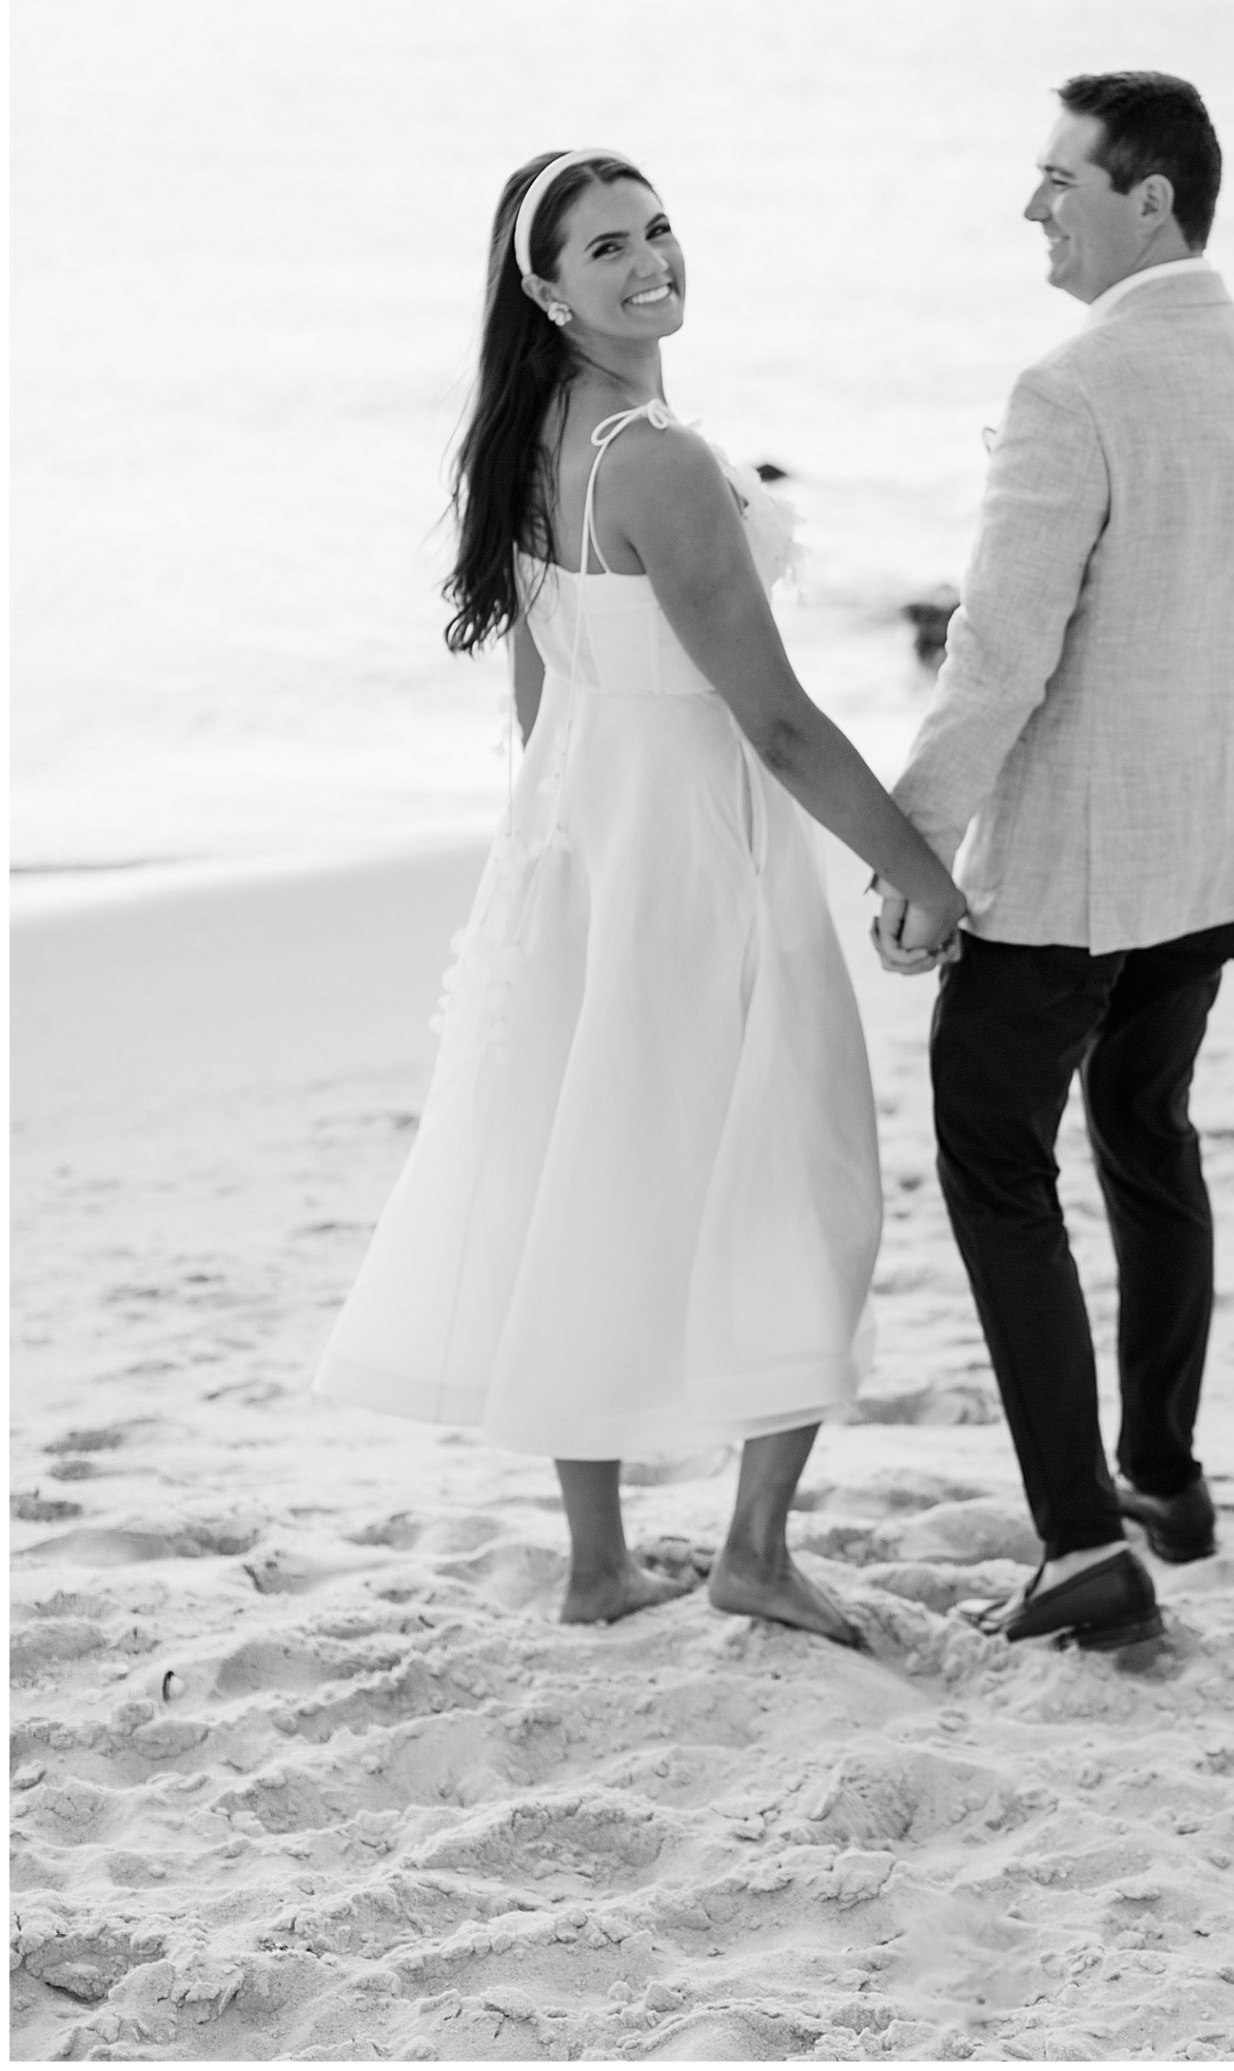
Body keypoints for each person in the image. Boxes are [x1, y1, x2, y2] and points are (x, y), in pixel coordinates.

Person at [315, 148, 964, 1645]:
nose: (648, 260)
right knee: (807, 1177)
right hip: (692, 840)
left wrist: (555, 824)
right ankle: (749, 1548)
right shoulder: (655, 457)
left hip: (581, 830)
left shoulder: (528, 432)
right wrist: (920, 870)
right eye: (605, 246)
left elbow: (540, 662)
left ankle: (599, 1561)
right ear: (544, 287)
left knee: (583, 1168)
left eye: (658, 228)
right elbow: (777, 716)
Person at [875, 72, 1234, 1652]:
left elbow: (997, 651)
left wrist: (918, 845)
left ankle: (1082, 1543)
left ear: (1148, 196)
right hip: (1215, 851)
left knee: (994, 1156)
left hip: (1073, 869)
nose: (1033, 207)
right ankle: (1166, 1480)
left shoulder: (1073, 389)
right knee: (1146, 1133)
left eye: (1057, 179)